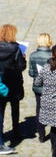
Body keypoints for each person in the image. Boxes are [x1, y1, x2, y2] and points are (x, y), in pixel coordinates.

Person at [0, 24, 26, 153]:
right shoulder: (16, 49)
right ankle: (16, 131)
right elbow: (21, 67)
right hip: (14, 83)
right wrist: (24, 59)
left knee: (1, 110)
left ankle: (2, 133)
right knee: (15, 109)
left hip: (1, 83)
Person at [28, 33, 52, 143]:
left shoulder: (33, 55)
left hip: (38, 86)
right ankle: (54, 131)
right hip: (51, 87)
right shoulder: (53, 55)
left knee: (39, 109)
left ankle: (41, 134)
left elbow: (31, 73)